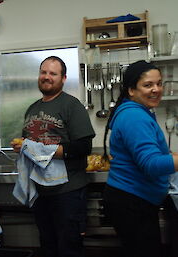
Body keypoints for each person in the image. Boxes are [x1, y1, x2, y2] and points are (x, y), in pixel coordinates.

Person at [11, 56, 95, 257]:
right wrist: (23, 148)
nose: (46, 77)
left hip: (68, 191)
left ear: (63, 78)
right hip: (41, 190)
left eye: (53, 73)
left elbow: (84, 146)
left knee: (69, 248)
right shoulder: (32, 108)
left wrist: (45, 151)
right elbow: (29, 145)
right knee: (48, 245)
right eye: (43, 72)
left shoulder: (71, 105)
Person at [102, 60, 178, 257]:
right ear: (131, 90)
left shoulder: (138, 112)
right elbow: (152, 164)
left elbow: (153, 154)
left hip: (133, 200)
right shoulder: (135, 117)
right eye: (148, 85)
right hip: (132, 203)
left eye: (159, 83)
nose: (156, 89)